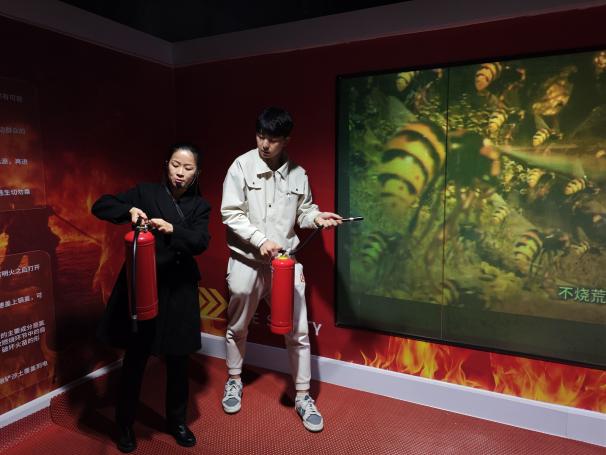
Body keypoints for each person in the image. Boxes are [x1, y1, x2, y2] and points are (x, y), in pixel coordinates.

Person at [220, 107, 341, 432]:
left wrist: (317, 218)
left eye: (272, 139)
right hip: (246, 262)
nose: (264, 144)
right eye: (260, 136)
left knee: (298, 332)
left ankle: (302, 395)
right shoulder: (240, 166)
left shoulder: (299, 174)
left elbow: (304, 212)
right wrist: (260, 240)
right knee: (237, 326)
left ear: (286, 140)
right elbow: (230, 214)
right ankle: (234, 379)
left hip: (285, 264)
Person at [91, 143, 211, 452]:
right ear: (166, 164)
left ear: (197, 173)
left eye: (187, 168)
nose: (180, 173)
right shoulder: (145, 193)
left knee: (179, 361)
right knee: (135, 359)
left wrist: (172, 229)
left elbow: (200, 242)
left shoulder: (200, 206)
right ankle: (124, 424)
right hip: (145, 285)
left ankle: (177, 422)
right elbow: (101, 205)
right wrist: (128, 211)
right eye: (175, 165)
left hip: (180, 288)